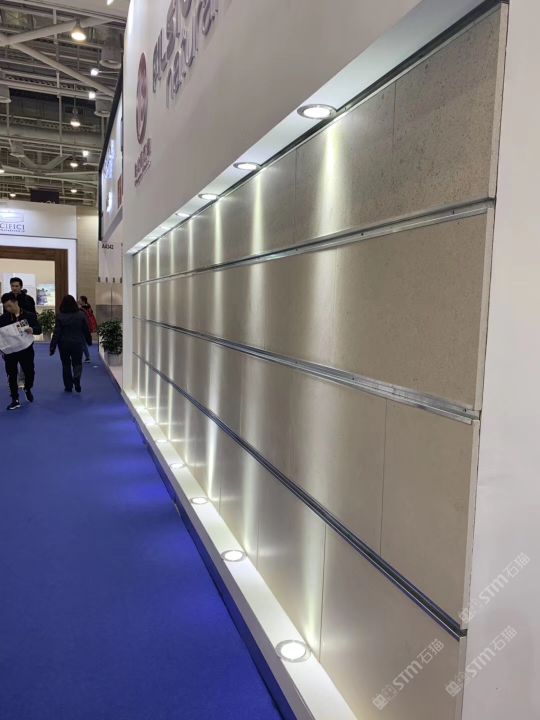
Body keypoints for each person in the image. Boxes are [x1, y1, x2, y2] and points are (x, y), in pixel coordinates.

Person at [0, 292, 42, 411]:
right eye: (6, 307)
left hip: (26, 350)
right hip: (10, 352)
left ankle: (27, 388)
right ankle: (15, 399)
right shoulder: (3, 319)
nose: (8, 309)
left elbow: (39, 329)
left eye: (10, 306)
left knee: (29, 372)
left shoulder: (29, 315)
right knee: (11, 375)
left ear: (16, 302)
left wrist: (32, 329)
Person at [50, 295, 92, 393]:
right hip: (77, 343)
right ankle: (76, 378)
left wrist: (52, 346)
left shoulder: (60, 316)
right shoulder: (81, 315)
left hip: (63, 344)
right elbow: (86, 329)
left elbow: (57, 332)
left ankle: (68, 386)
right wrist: (89, 340)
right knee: (77, 363)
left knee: (66, 365)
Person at [78, 296, 97, 363]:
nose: (78, 300)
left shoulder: (82, 309)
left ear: (83, 301)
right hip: (87, 328)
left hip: (82, 328)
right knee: (83, 343)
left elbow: (82, 319)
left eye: (79, 299)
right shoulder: (88, 307)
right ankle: (86, 357)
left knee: (82, 343)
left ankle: (85, 357)